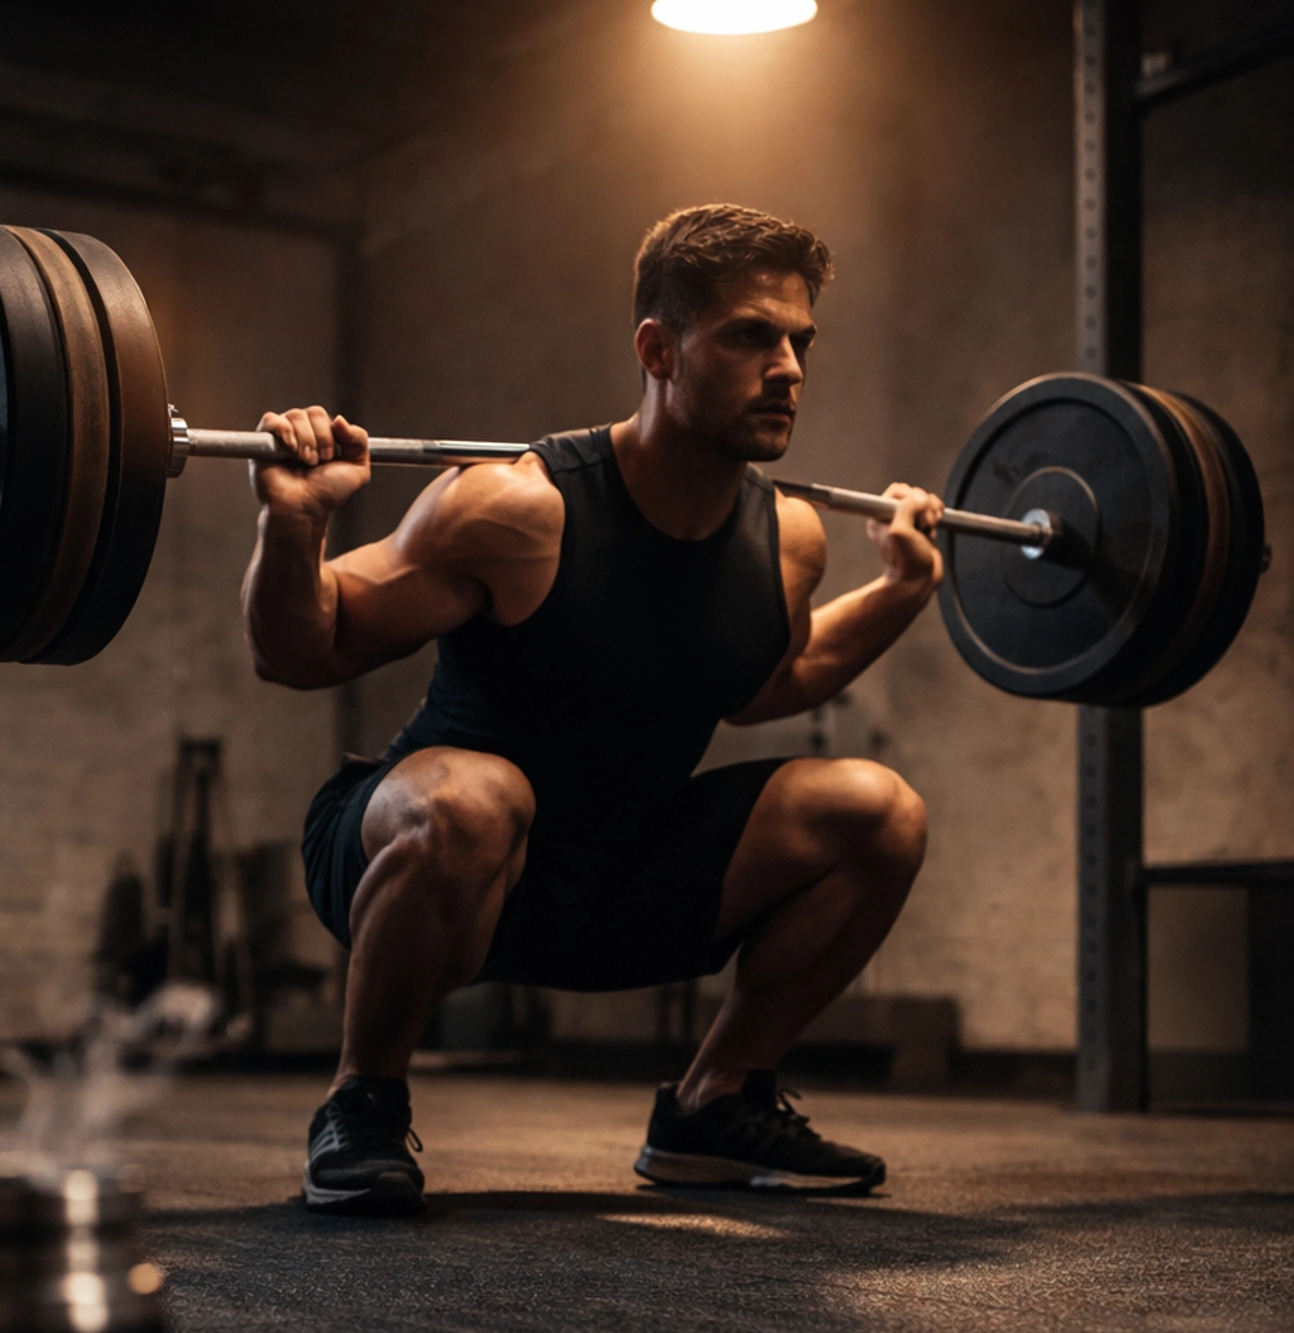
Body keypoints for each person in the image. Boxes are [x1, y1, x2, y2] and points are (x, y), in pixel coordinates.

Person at [241, 202, 943, 1216]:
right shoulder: (515, 508)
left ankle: (713, 1104)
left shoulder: (789, 538)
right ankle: (363, 1102)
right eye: (751, 336)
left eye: (800, 341)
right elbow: (300, 651)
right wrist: (295, 523)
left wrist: (901, 591)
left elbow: (766, 685)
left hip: (619, 876)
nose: (788, 369)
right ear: (658, 351)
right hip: (432, 858)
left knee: (880, 811)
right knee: (478, 798)